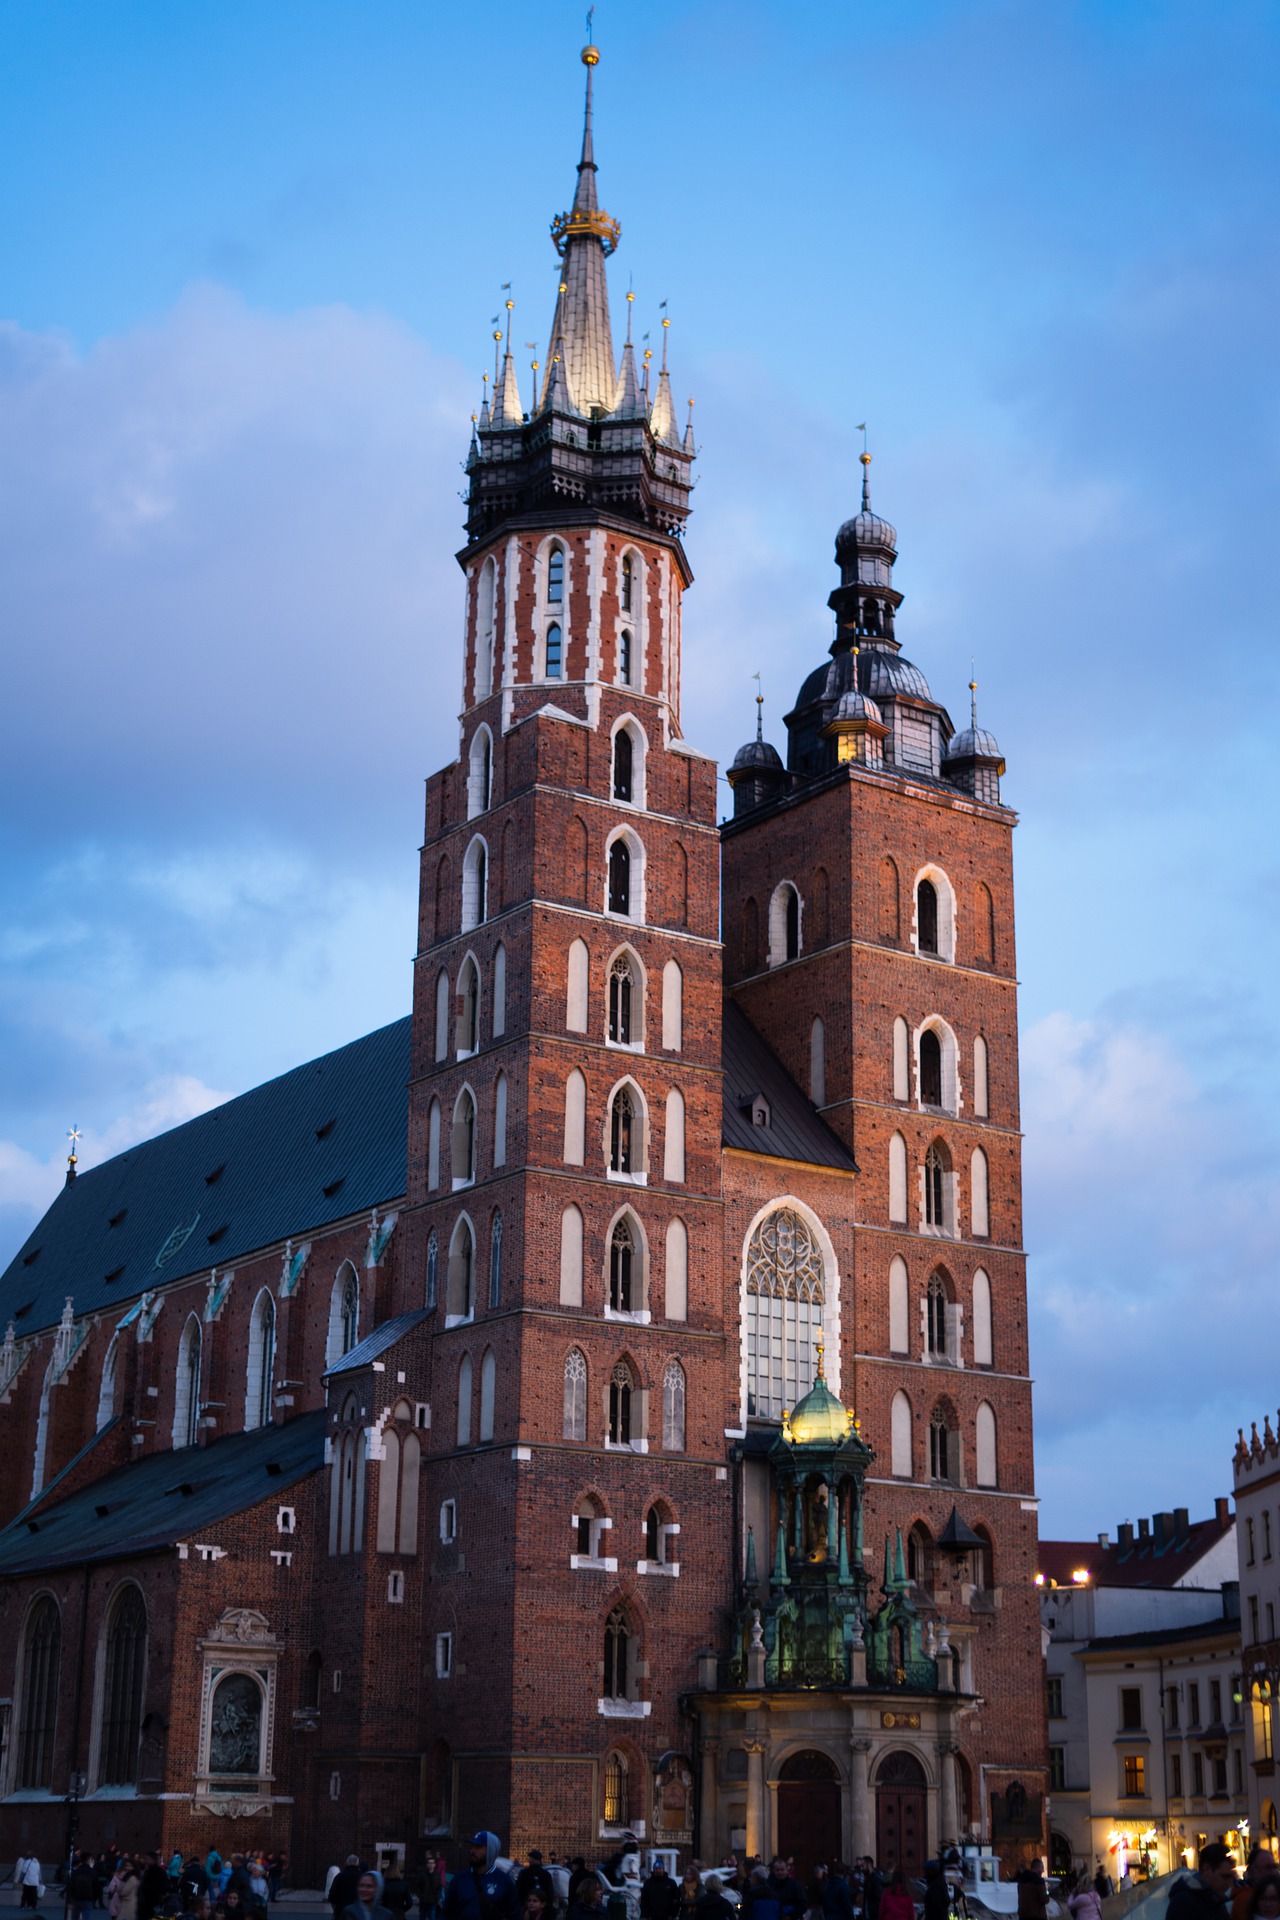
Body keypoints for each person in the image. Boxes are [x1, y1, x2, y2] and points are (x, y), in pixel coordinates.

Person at [443, 1836, 518, 1920]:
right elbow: (447, 1912)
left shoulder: (504, 1881)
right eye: (472, 1846)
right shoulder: (459, 1879)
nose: (472, 1851)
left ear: (490, 1851)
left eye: (478, 1847)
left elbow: (514, 1914)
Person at [1167, 1844, 1238, 1920]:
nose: (1230, 1883)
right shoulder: (1183, 1904)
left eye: (1232, 1876)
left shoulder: (1215, 1900)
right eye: (1225, 1876)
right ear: (1206, 1869)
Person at [743, 1859, 807, 1920]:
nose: (780, 1872)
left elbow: (803, 1905)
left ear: (787, 1870)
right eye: (777, 1870)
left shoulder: (795, 1885)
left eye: (782, 1870)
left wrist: (791, 1916)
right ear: (773, 1871)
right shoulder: (770, 1885)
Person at [68, 1854, 99, 1920]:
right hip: (88, 1898)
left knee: (75, 1916)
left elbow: (71, 1885)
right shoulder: (92, 1872)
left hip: (76, 1898)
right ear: (88, 1860)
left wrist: (70, 1900)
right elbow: (96, 1886)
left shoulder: (76, 1871)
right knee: (86, 1916)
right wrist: (93, 1897)